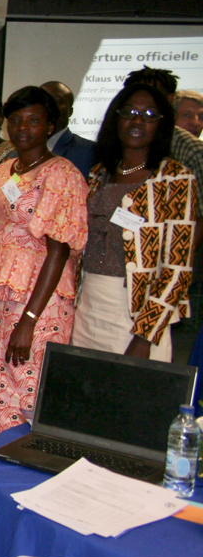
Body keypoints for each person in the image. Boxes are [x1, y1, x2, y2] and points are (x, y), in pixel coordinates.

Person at [0, 86, 88, 445]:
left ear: (50, 125)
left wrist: (29, 321)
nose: (23, 128)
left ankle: (20, 480)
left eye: (33, 120)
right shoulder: (1, 174)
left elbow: (58, 252)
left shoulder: (62, 174)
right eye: (15, 120)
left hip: (37, 303)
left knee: (22, 387)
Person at [73, 83, 195, 362]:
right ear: (115, 119)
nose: (138, 120)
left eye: (150, 114)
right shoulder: (98, 174)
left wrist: (145, 336)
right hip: (88, 308)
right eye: (129, 112)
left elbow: (177, 270)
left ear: (161, 125)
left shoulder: (175, 179)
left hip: (138, 316)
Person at [39, 80, 95, 176]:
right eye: (43, 101)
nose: (49, 107)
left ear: (70, 111)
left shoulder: (90, 151)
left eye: (57, 101)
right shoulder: (18, 152)